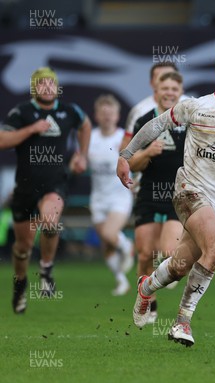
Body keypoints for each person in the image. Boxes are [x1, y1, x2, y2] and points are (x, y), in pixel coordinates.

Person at [117, 48, 215, 347]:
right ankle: (182, 322)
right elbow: (156, 125)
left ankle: (146, 287)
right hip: (189, 191)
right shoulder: (196, 107)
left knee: (179, 266)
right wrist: (126, 154)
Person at [0, 67, 91, 313]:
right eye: (42, 84)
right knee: (22, 249)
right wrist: (31, 129)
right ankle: (19, 286)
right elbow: (2, 140)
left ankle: (46, 267)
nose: (48, 87)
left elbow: (85, 124)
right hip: (26, 187)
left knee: (51, 222)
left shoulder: (69, 111)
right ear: (34, 88)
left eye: (52, 83)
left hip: (55, 183)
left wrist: (81, 155)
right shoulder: (22, 113)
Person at [129, 71, 187, 324]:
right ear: (157, 91)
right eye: (165, 88)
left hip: (178, 195)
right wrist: (148, 152)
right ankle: (147, 302)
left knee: (169, 251)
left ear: (180, 92)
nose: (170, 92)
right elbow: (132, 163)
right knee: (144, 254)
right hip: (149, 194)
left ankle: (159, 278)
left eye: (175, 88)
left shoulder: (190, 121)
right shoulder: (145, 121)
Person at [87, 94, 134, 296]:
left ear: (117, 115)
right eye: (103, 113)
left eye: (111, 113)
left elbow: (137, 162)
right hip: (98, 198)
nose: (107, 117)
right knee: (106, 244)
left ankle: (128, 246)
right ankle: (121, 281)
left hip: (120, 197)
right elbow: (78, 160)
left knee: (109, 234)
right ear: (97, 116)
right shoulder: (90, 138)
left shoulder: (124, 138)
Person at [120, 62, 179, 151]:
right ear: (152, 83)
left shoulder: (191, 106)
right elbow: (125, 151)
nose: (167, 80)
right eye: (161, 77)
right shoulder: (139, 111)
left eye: (171, 76)